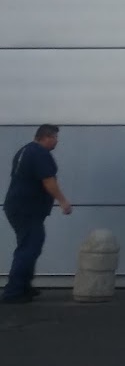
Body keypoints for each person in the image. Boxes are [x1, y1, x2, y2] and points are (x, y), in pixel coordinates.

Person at [3, 124, 71, 305]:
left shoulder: (25, 150)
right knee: (29, 248)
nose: (57, 141)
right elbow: (48, 180)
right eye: (55, 137)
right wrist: (63, 201)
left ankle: (24, 286)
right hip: (27, 209)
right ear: (46, 137)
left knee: (30, 245)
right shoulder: (40, 153)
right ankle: (13, 292)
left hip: (19, 207)